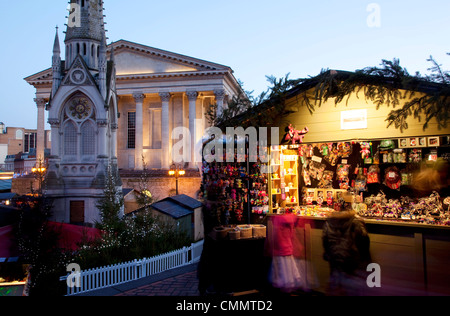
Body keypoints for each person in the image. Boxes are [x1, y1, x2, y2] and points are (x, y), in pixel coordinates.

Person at [322, 210, 371, 296]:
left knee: (336, 283)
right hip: (352, 258)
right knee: (353, 286)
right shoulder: (356, 221)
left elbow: (325, 239)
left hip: (335, 258)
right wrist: (365, 257)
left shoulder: (329, 222)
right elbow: (364, 240)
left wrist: (328, 254)